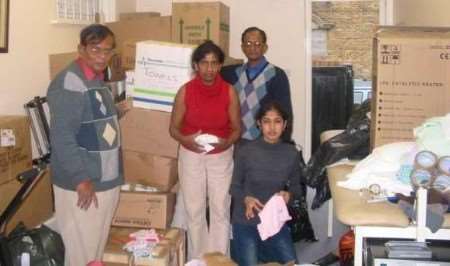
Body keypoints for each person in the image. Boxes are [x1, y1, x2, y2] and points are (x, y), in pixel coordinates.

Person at [46, 24, 123, 266]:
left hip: (105, 177)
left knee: (94, 254)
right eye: (95, 50)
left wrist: (118, 113)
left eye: (108, 51)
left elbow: (90, 121)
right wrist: (80, 179)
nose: (102, 57)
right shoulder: (70, 83)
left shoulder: (97, 79)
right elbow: (62, 137)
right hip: (84, 183)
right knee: (82, 255)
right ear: (81, 49)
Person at [169, 40, 241, 259]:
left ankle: (219, 259)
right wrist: (186, 140)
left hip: (221, 155)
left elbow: (237, 129)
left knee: (220, 208)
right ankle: (198, 259)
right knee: (194, 209)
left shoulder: (229, 92)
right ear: (196, 65)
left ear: (220, 66)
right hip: (191, 154)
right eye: (204, 63)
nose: (209, 69)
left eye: (214, 63)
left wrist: (227, 142)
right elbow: (173, 128)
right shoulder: (185, 91)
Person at [229, 101, 301, 266]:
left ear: (285, 125)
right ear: (259, 124)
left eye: (277, 121)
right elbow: (234, 186)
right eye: (267, 121)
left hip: (274, 221)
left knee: (292, 263)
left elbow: (297, 188)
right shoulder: (245, 150)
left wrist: (289, 195)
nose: (272, 127)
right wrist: (246, 199)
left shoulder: (291, 153)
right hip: (246, 220)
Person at [221, 26, 293, 142]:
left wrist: (282, 144)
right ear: (243, 47)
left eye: (257, 44)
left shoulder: (276, 75)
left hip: (263, 142)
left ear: (265, 47)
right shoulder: (233, 73)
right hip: (237, 141)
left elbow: (285, 113)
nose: (252, 48)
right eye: (248, 44)